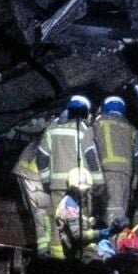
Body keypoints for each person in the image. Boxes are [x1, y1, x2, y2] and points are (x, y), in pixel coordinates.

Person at [37, 95, 105, 256]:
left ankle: (57, 263)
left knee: (58, 225)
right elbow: (91, 158)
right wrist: (99, 182)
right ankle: (78, 260)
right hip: (79, 186)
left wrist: (47, 181)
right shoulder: (83, 130)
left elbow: (42, 157)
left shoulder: (51, 129)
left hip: (57, 186)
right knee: (80, 224)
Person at [93, 95, 138, 228]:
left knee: (105, 210)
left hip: (101, 170)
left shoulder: (98, 122)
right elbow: (137, 157)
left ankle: (109, 244)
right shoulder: (131, 128)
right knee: (119, 210)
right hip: (124, 174)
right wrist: (134, 181)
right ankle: (114, 242)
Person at [12, 138, 54, 257]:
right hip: (33, 176)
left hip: (29, 172)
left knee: (41, 211)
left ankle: (45, 247)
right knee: (43, 212)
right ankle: (45, 250)